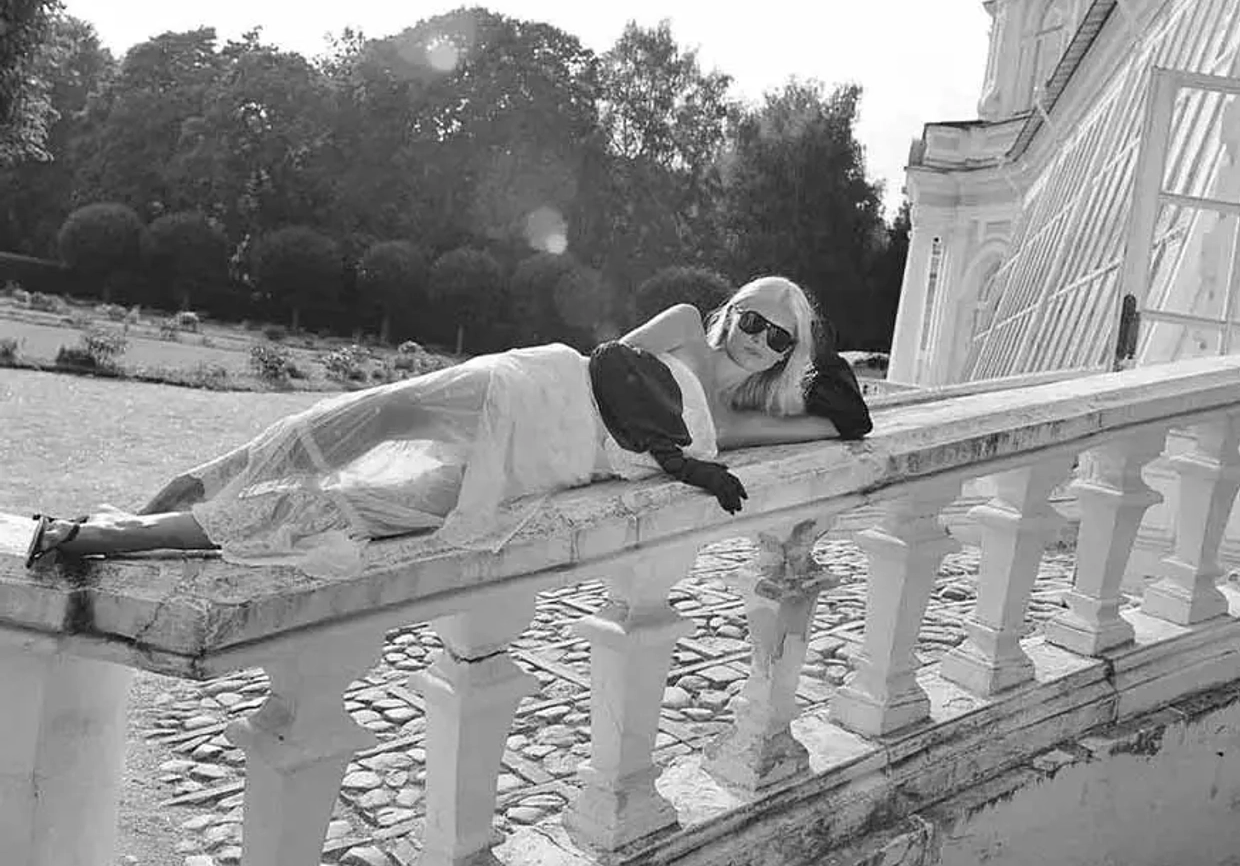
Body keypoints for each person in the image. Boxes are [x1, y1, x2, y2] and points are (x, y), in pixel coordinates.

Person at [25, 275, 871, 579]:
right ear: (729, 311)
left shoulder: (733, 424)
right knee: (349, 422)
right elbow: (609, 363)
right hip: (529, 387)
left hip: (535, 466)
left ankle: (115, 539)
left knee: (344, 509)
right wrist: (672, 446)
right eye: (751, 317)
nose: (756, 338)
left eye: (778, 338)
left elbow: (835, 432)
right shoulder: (684, 323)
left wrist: (832, 399)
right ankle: (181, 489)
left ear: (785, 356)